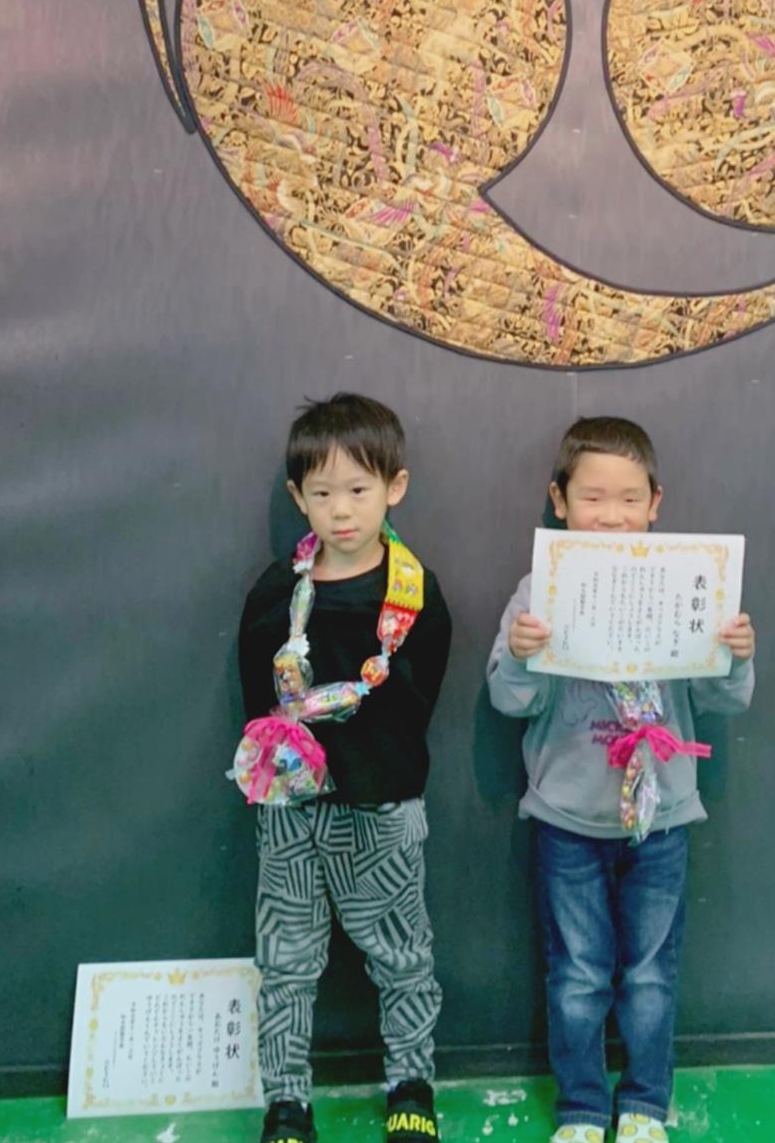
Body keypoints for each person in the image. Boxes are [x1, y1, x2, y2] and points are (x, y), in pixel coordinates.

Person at [486, 416, 755, 1143]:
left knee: (650, 973)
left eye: (630, 498)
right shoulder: (538, 590)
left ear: (655, 502)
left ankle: (643, 1106)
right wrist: (522, 653)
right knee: (576, 973)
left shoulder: (688, 582)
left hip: (662, 818)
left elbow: (726, 700)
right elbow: (509, 700)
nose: (611, 515)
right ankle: (580, 1108)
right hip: (567, 819)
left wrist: (734, 654)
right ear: (559, 500)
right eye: (593, 498)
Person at [237, 393, 451, 1143]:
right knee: (286, 960)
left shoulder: (414, 595)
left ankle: (411, 1083)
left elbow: (421, 699)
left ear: (395, 486)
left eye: (358, 488)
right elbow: (256, 699)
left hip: (381, 807)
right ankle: (287, 1101)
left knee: (402, 954)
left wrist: (370, 761)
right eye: (322, 492)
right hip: (292, 811)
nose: (341, 509)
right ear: (298, 497)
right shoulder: (276, 592)